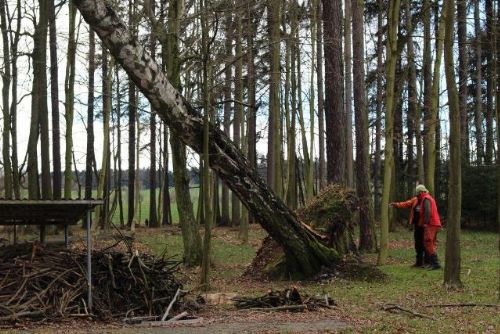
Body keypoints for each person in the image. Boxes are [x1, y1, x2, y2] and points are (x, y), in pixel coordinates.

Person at [390, 184, 442, 270]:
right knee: (419, 244)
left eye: (418, 193)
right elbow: (406, 204)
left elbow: (428, 212)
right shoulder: (417, 199)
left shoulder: (426, 199)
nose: (417, 195)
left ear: (421, 192)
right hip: (419, 225)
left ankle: (431, 262)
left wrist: (425, 223)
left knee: (428, 243)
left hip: (427, 224)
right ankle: (420, 262)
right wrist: (396, 205)